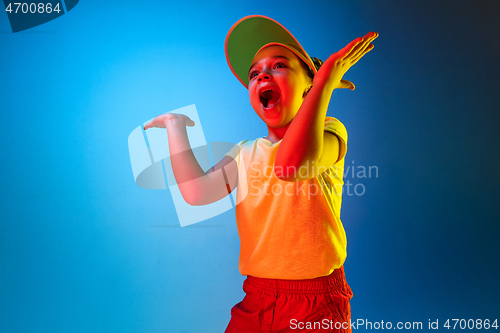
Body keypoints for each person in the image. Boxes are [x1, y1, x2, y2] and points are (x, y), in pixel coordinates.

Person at [144, 15, 377, 333]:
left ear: (311, 82)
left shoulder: (329, 132)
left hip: (316, 302)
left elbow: (290, 166)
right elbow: (197, 193)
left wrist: (324, 82)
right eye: (255, 73)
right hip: (257, 299)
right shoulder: (242, 152)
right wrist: (175, 127)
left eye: (279, 65)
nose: (263, 75)